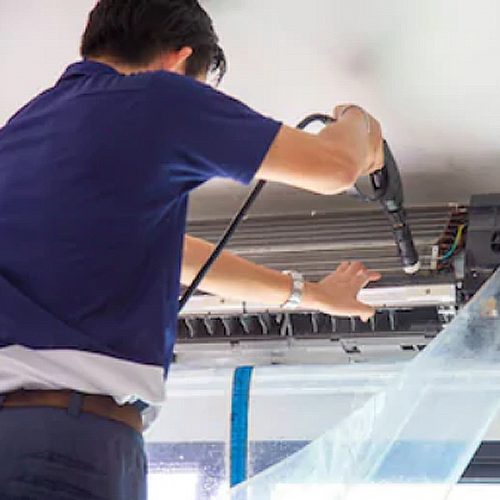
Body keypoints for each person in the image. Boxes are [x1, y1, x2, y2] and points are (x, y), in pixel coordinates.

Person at [0, 0, 384, 498]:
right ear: (181, 60)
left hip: (43, 436)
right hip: (65, 440)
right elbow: (335, 167)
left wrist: (310, 294)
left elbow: (178, 257)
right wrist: (359, 123)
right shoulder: (156, 96)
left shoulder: (23, 130)